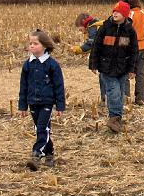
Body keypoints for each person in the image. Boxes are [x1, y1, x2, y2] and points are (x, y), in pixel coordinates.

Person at [18, 30, 65, 170]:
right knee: (41, 128)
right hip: (32, 101)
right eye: (30, 43)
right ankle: (49, 153)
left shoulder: (52, 65)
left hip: (46, 102)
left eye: (35, 43)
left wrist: (60, 106)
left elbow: (59, 86)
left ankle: (36, 154)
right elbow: (23, 86)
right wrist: (22, 106)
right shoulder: (27, 65)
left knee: (42, 128)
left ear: (44, 45)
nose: (31, 46)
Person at [89, 1, 138, 133]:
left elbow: (134, 51)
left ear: (125, 15)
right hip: (107, 68)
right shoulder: (104, 28)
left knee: (120, 93)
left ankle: (116, 119)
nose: (115, 13)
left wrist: (133, 69)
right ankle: (114, 117)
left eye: (119, 12)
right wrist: (93, 64)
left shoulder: (130, 31)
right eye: (114, 11)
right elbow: (96, 47)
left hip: (123, 68)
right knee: (113, 92)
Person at [122, 0, 144, 105]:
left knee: (125, 73)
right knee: (140, 73)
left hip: (129, 48)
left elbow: (124, 33)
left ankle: (126, 98)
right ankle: (140, 98)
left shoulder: (128, 15)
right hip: (143, 47)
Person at [72, 12, 106, 102]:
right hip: (105, 55)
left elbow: (92, 43)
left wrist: (80, 49)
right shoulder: (94, 25)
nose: (80, 31)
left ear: (83, 22)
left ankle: (105, 99)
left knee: (104, 77)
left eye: (80, 28)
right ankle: (105, 98)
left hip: (105, 56)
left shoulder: (92, 27)